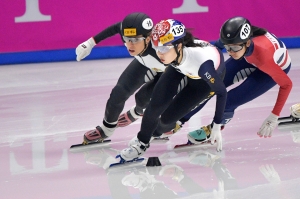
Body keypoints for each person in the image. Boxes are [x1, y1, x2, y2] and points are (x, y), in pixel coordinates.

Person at [118, 19, 227, 162]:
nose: (159, 53)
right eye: (156, 48)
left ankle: (155, 133)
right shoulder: (172, 54)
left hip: (202, 80)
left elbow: (222, 92)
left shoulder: (202, 65)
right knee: (155, 105)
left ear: (179, 45)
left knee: (166, 120)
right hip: (179, 66)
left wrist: (217, 124)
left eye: (163, 48)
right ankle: (141, 143)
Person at [169, 16, 292, 143]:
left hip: (269, 69)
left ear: (248, 42)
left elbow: (287, 84)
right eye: (227, 48)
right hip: (247, 56)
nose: (230, 52)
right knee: (209, 85)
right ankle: (178, 120)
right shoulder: (234, 41)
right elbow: (214, 49)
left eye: (234, 48)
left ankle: (213, 129)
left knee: (229, 100)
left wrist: (274, 115)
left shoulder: (265, 58)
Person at [75, 12, 172, 144]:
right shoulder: (129, 30)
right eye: (127, 39)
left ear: (149, 38)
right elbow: (116, 27)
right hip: (144, 63)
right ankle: (107, 129)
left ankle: (138, 113)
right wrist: (91, 42)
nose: (130, 45)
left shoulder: (164, 48)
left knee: (143, 99)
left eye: (136, 40)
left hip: (167, 72)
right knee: (118, 94)